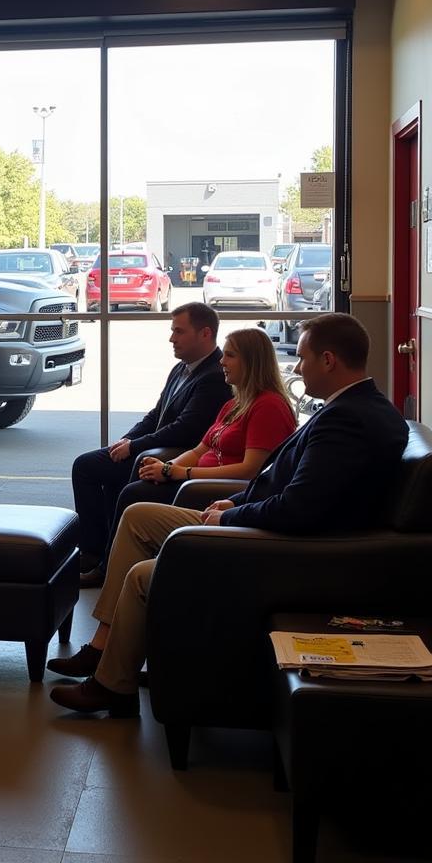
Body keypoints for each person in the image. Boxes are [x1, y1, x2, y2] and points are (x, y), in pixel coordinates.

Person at [49, 312, 409, 717]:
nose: (298, 366)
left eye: (304, 357)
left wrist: (232, 517)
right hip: (260, 521)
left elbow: (298, 508)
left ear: (329, 360)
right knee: (139, 515)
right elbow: (291, 488)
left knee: (142, 575)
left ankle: (112, 684)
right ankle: (104, 647)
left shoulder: (347, 420)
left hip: (280, 548)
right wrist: (236, 504)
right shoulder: (356, 409)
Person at [72, 302, 231, 588]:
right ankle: (97, 551)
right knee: (101, 467)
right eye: (172, 331)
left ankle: (98, 556)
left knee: (85, 467)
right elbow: (156, 415)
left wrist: (135, 448)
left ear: (205, 333)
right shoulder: (181, 369)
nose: (172, 338)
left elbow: (185, 430)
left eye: (179, 331)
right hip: (151, 448)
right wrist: (128, 439)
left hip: (172, 456)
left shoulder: (214, 378)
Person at [104, 326, 299, 545]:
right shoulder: (233, 404)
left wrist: (180, 472)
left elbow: (251, 470)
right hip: (195, 479)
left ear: (252, 362)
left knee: (134, 495)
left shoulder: (269, 406)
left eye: (230, 355)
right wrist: (166, 467)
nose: (222, 362)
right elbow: (201, 450)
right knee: (138, 484)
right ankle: (110, 560)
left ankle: (110, 565)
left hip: (211, 489)